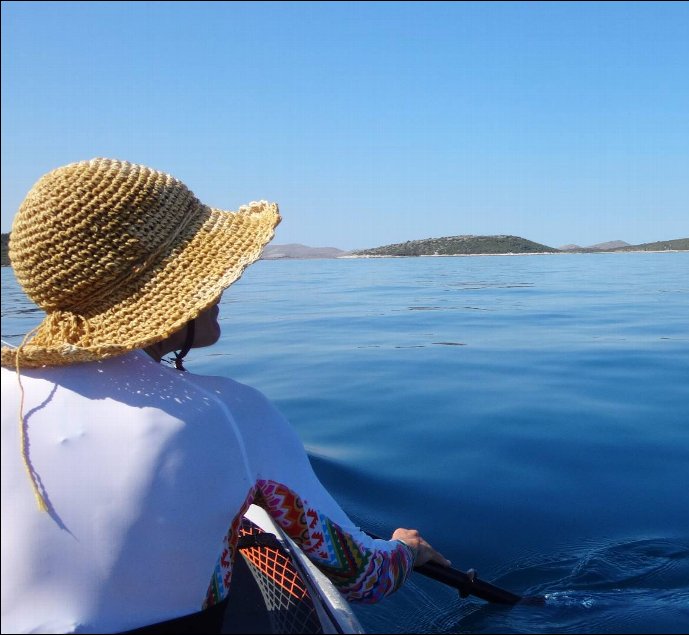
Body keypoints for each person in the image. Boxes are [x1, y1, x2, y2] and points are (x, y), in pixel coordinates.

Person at [0, 158, 449, 633]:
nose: (224, 287)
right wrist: (406, 549)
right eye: (205, 270)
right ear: (167, 289)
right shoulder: (229, 413)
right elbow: (365, 578)